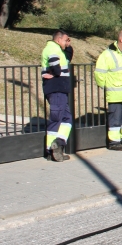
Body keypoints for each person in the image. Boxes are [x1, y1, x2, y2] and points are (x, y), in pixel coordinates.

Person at [94, 29, 122, 151]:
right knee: (115, 118)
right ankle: (114, 142)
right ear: (121, 39)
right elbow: (99, 73)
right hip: (115, 93)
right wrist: (106, 86)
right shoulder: (107, 54)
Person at [42, 30, 74, 162]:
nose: (66, 42)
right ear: (58, 39)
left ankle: (58, 144)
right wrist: (56, 73)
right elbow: (55, 65)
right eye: (65, 40)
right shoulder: (52, 48)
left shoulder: (58, 49)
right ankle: (51, 150)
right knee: (56, 119)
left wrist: (68, 46)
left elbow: (67, 56)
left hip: (59, 89)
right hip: (56, 89)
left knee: (67, 118)